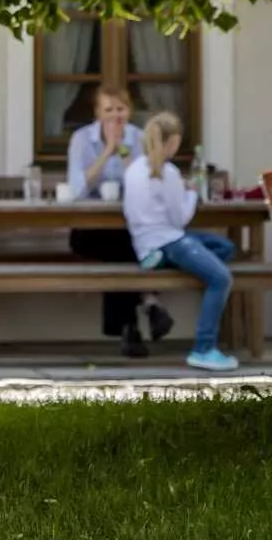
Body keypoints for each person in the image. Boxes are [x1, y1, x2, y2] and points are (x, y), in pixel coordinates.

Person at [123, 110, 238, 372]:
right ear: (173, 141)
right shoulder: (168, 172)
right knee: (221, 278)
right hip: (171, 239)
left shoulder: (133, 170)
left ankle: (162, 261)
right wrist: (192, 193)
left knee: (225, 247)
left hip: (146, 243)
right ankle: (204, 348)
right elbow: (180, 219)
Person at [66, 85, 170, 357]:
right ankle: (149, 301)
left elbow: (143, 186)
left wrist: (123, 151)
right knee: (122, 246)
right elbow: (77, 191)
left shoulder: (139, 139)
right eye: (108, 109)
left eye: (120, 109)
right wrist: (107, 150)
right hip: (88, 229)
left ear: (130, 111)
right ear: (97, 113)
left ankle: (129, 330)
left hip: (129, 228)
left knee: (121, 246)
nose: (115, 116)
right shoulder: (81, 139)